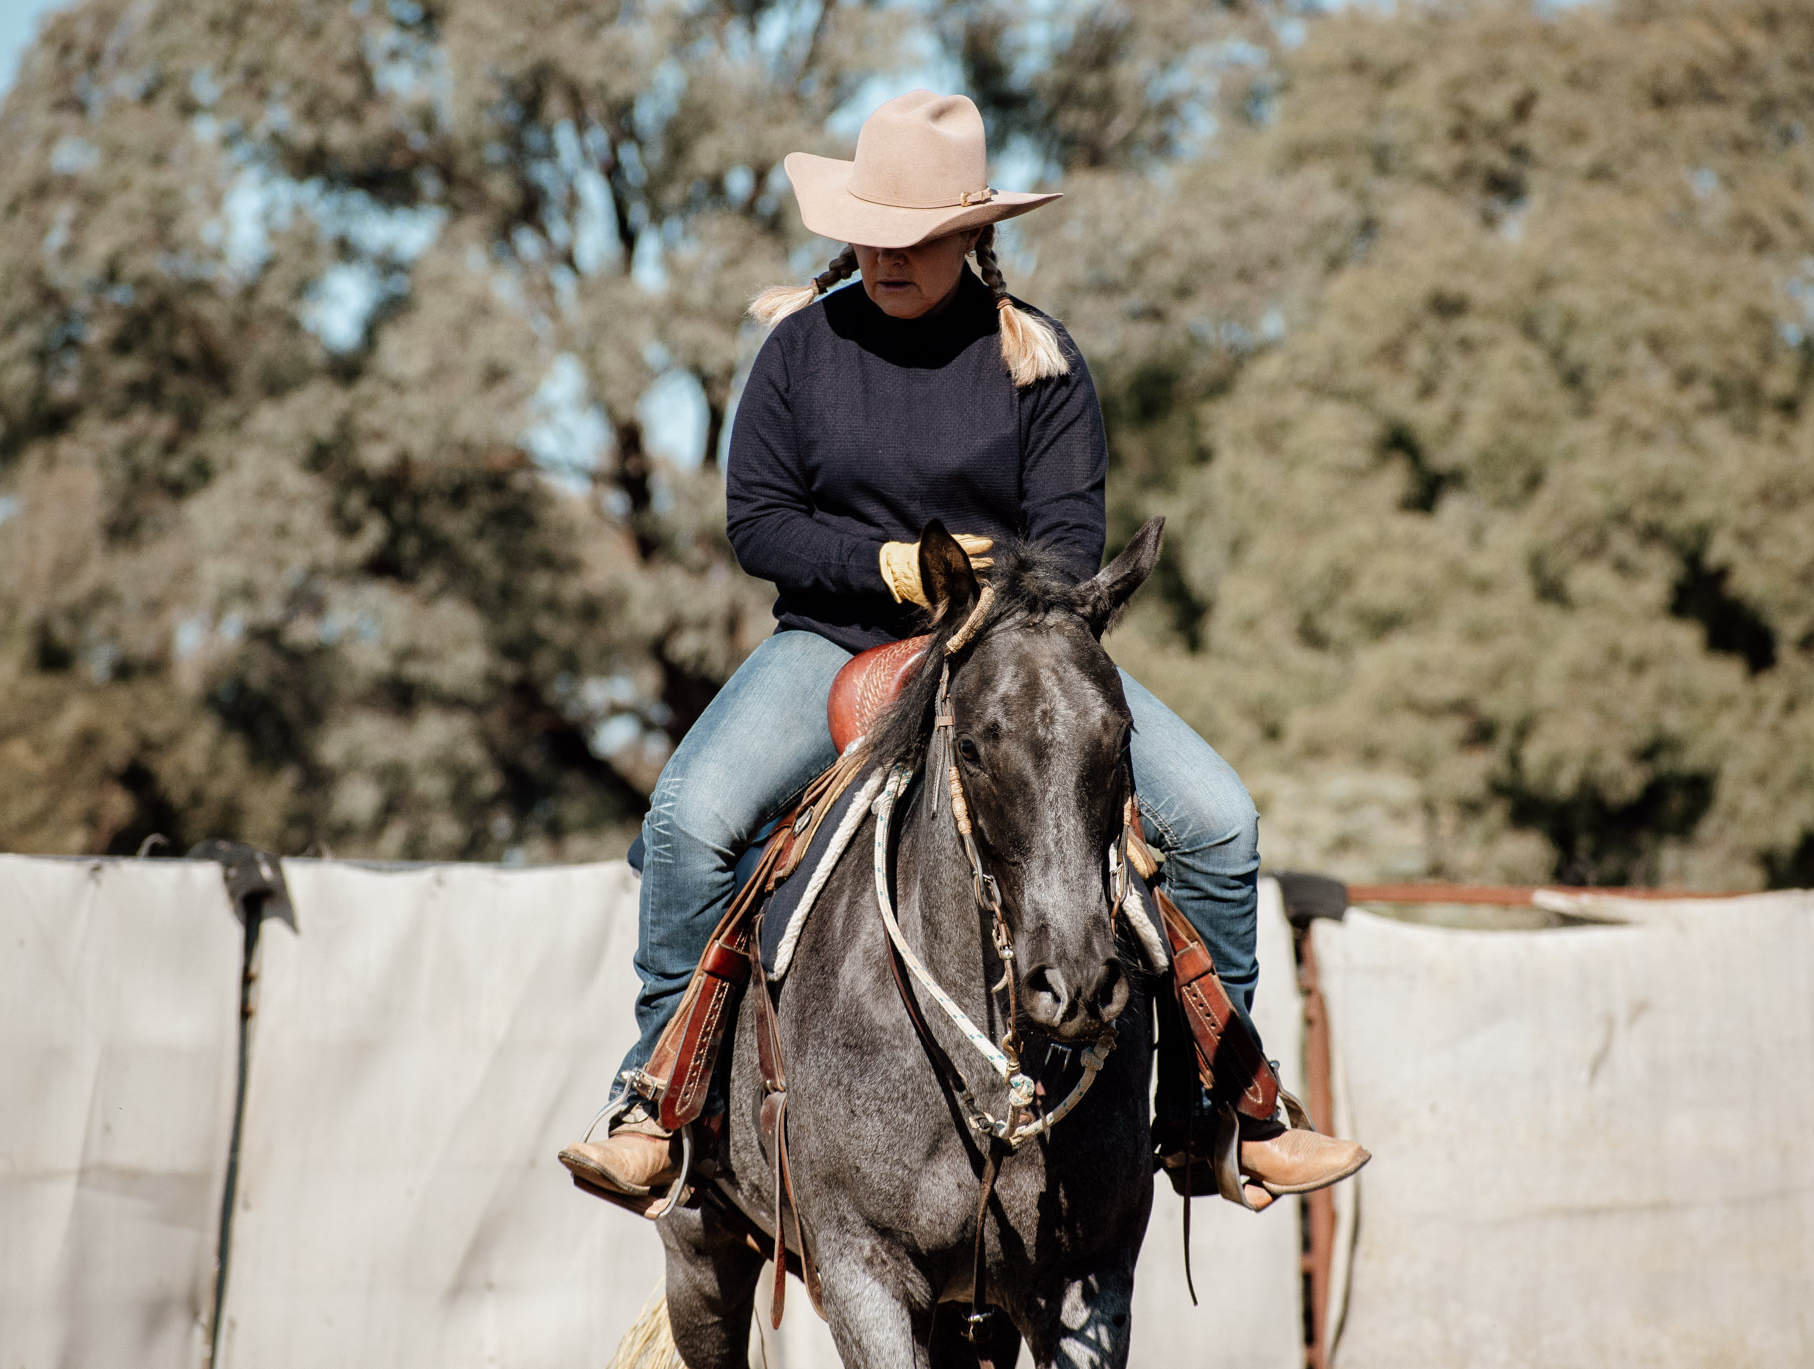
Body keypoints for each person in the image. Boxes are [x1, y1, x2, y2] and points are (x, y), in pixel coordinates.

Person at [560, 90, 1365, 1213]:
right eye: (872, 233)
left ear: (972, 233)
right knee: (688, 819)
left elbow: (1071, 543)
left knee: (1221, 822)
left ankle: (1217, 1113)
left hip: (1016, 655)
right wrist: (889, 567)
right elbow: (759, 523)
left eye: (917, 237)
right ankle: (658, 1102)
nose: (887, 257)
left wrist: (990, 603)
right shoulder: (800, 351)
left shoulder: (1040, 357)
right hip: (832, 643)